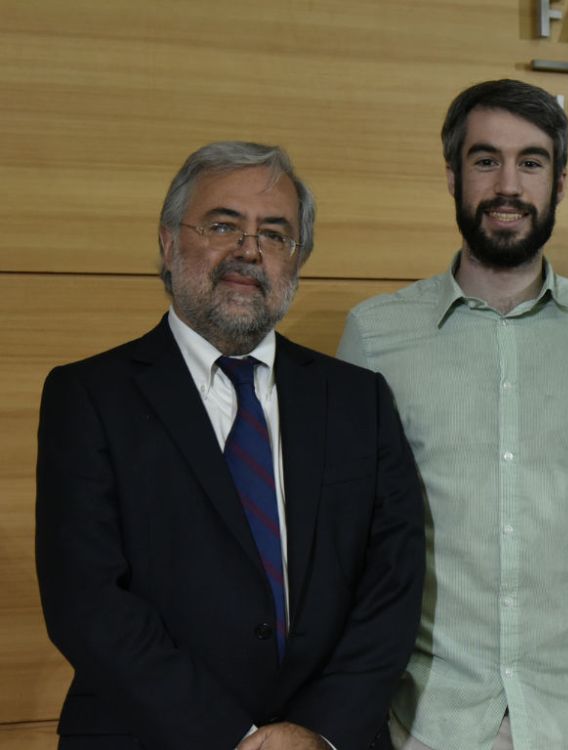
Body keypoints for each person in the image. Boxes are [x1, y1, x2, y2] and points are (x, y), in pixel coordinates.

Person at [35, 141, 425, 750]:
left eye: (275, 234)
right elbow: (86, 602)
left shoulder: (360, 400)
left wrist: (320, 731)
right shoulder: (88, 396)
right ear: (168, 242)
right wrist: (233, 738)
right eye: (223, 225)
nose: (249, 250)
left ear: (297, 260)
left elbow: (393, 583)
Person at [336, 79, 568, 750]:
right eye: (486, 160)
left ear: (560, 180)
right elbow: (339, 524)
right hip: (435, 717)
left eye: (532, 161)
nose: (508, 184)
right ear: (454, 175)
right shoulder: (376, 334)